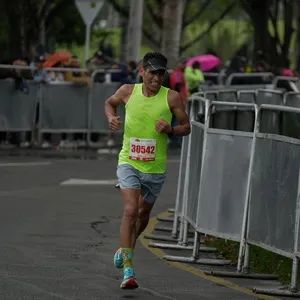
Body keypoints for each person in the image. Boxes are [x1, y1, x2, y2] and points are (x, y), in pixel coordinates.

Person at [105, 52, 190, 289]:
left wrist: (171, 130)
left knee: (143, 215)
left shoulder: (172, 97)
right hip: (129, 162)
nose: (157, 77)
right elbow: (109, 103)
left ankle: (125, 248)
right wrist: (112, 118)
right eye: (153, 72)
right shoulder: (127, 91)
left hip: (155, 167)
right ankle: (129, 271)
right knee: (131, 210)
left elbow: (187, 127)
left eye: (161, 73)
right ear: (142, 71)